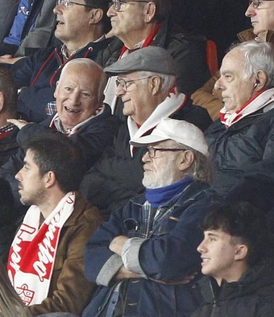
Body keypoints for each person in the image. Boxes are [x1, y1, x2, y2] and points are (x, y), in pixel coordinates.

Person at [83, 118, 215, 317]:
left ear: (185, 158)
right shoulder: (130, 206)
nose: (145, 157)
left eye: (156, 150)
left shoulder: (204, 204)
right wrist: (139, 270)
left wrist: (121, 244)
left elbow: (169, 261)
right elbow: (91, 259)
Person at [83, 45, 211, 213]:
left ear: (154, 84)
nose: (119, 92)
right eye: (119, 83)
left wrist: (114, 174)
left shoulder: (190, 120)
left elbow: (149, 184)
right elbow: (88, 184)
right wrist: (129, 194)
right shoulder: (125, 127)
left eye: (126, 83)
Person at [9, 133, 100, 315]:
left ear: (49, 178)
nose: (18, 175)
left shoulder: (85, 225)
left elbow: (68, 304)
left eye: (26, 168)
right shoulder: (32, 217)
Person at [207, 39, 274, 203]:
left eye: (228, 76)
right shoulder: (222, 123)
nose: (217, 86)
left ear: (258, 80)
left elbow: (267, 188)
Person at [99, 0, 208, 101]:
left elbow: (169, 105)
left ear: (148, 11)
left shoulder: (180, 53)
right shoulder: (110, 50)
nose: (110, 12)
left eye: (119, 4)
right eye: (112, 4)